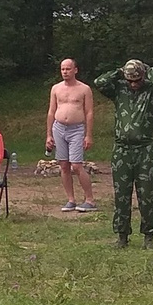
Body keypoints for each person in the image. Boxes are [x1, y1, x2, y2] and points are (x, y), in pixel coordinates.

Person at [93, 57, 153, 248]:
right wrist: (120, 72)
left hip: (145, 150)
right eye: (130, 80)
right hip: (122, 150)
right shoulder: (119, 89)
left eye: (137, 80)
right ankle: (122, 235)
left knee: (147, 194)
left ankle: (149, 236)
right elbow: (99, 82)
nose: (134, 84)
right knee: (121, 194)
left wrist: (147, 68)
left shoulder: (152, 91)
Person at [46, 58, 97, 214]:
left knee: (76, 165)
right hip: (59, 127)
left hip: (76, 129)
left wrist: (88, 135)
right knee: (63, 165)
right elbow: (51, 111)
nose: (65, 72)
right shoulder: (56, 88)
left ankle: (90, 200)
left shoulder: (84, 89)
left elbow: (89, 112)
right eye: (62, 69)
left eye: (68, 69)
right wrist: (48, 134)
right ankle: (71, 199)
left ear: (75, 70)